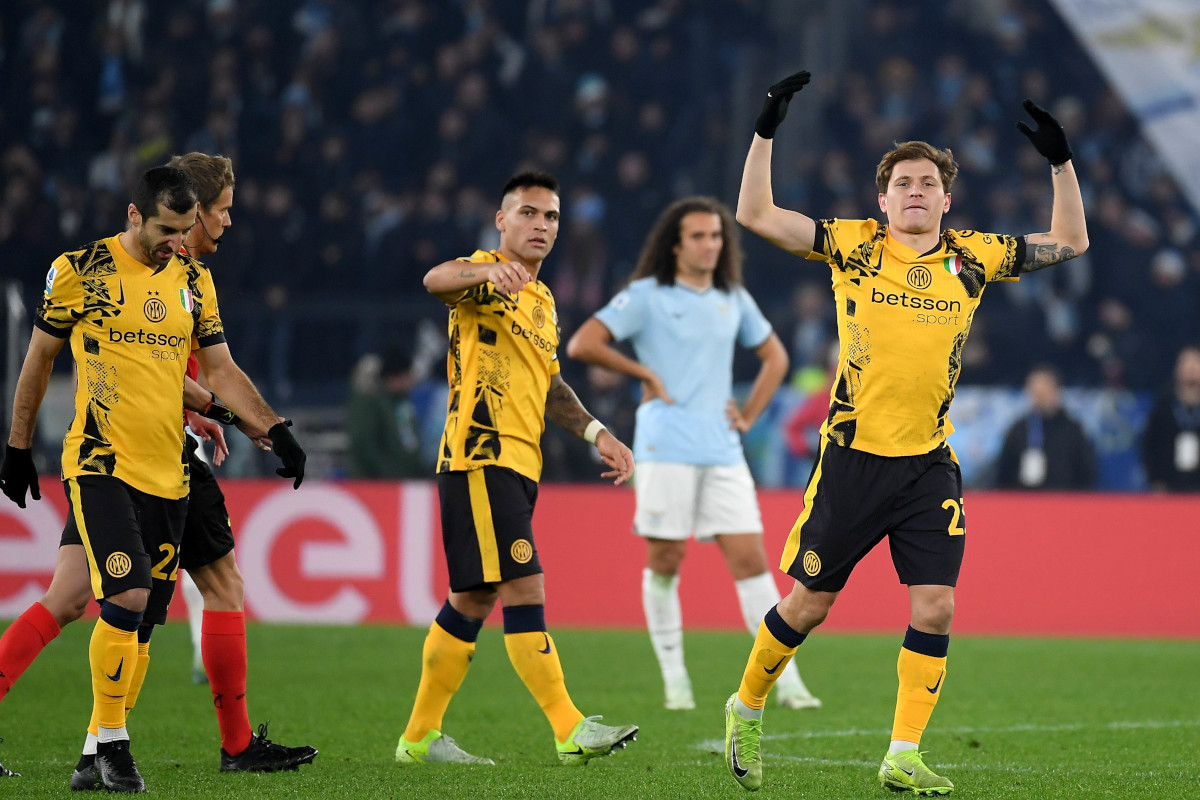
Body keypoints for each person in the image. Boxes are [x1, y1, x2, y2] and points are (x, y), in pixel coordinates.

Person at [721, 70, 1088, 795]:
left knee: (937, 605)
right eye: (902, 184)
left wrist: (1061, 162)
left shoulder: (971, 256)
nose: (915, 191)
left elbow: (1071, 241)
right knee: (809, 604)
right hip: (854, 459)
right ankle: (747, 705)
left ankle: (903, 752)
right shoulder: (852, 245)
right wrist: (765, 129)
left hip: (928, 462)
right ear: (881, 200)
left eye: (927, 183)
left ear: (947, 199)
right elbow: (755, 213)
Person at [0, 165, 307, 792]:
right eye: (169, 229)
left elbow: (204, 370)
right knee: (131, 595)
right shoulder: (80, 271)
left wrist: (269, 429)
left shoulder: (193, 280)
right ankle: (113, 748)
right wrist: (17, 446)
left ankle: (95, 752)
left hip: (168, 469)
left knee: (85, 599)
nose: (179, 240)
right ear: (136, 215)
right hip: (100, 462)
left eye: (186, 228)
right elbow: (38, 361)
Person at [395, 170, 639, 767]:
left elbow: (551, 385)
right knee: (525, 585)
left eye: (551, 217)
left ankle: (419, 738)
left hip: (519, 463)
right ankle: (569, 729)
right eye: (528, 213)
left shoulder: (543, 300)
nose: (541, 225)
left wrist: (596, 432)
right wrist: (485, 271)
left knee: (474, 599)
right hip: (481, 454)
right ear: (502, 221)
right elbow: (434, 280)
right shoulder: (482, 275)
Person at [566, 196, 820, 712]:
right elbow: (583, 344)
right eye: (700, 236)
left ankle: (786, 683)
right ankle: (675, 681)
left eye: (717, 236)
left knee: (752, 560)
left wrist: (747, 417)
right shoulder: (646, 295)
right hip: (665, 447)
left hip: (723, 451)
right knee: (667, 558)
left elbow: (776, 357)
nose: (711, 244)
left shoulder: (732, 297)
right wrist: (644, 374)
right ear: (676, 245)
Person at [994, 365, 1096, 490]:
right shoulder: (1019, 429)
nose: (1039, 395)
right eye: (1035, 390)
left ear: (1057, 390)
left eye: (1044, 390)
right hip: (1024, 501)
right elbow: (1003, 471)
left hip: (1064, 500)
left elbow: (1086, 472)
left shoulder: (1072, 430)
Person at [345, 344, 426, 479]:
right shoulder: (370, 404)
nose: (412, 381)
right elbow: (364, 444)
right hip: (377, 483)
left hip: (405, 481)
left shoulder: (403, 403)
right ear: (394, 376)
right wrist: (387, 474)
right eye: (407, 375)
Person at [1140, 344, 1200, 492]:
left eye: (1196, 363)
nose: (1191, 369)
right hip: (1168, 489)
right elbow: (1150, 447)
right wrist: (1157, 481)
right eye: (1186, 363)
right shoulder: (1163, 409)